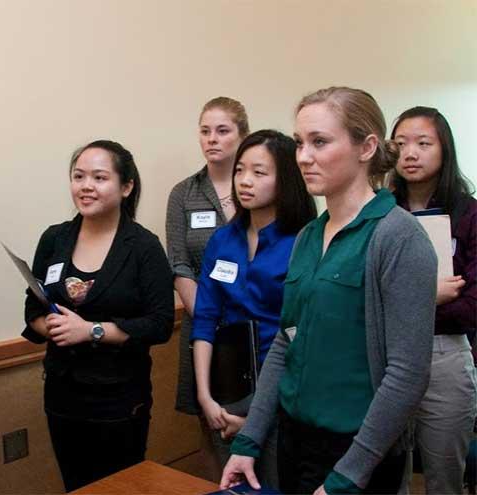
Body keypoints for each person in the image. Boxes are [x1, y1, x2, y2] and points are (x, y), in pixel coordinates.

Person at [220, 87, 437, 495]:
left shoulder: (399, 237)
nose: (303, 156)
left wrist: (349, 475)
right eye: (300, 143)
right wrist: (249, 439)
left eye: (319, 142)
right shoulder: (307, 236)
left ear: (366, 147)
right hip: (295, 440)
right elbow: (285, 343)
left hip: (357, 453)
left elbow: (408, 374)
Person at [22, 140, 174, 491]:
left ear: (126, 186)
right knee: (76, 486)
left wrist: (91, 330)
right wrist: (53, 327)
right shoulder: (55, 239)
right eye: (79, 176)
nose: (86, 186)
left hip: (119, 398)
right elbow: (32, 308)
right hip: (62, 394)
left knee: (121, 487)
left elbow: (160, 323)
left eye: (99, 177)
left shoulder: (143, 246)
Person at [191, 129, 317, 487]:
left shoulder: (304, 241)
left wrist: (259, 420)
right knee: (232, 485)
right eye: (240, 170)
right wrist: (205, 395)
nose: (245, 181)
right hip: (229, 388)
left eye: (259, 172)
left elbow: (303, 333)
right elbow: (205, 319)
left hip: (285, 389)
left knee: (275, 484)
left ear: (285, 180)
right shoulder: (223, 239)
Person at [390, 106, 477, 495]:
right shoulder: (380, 212)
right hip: (387, 352)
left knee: (445, 480)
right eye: (401, 144)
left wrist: (400, 299)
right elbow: (366, 294)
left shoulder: (469, 214)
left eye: (423, 144)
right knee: (389, 477)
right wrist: (430, 294)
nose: (410, 153)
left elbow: (470, 306)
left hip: (446, 352)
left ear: (444, 149)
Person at [166, 97, 248, 479]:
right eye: (205, 131)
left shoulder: (259, 186)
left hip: (255, 323)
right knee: (211, 424)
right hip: (203, 324)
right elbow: (179, 263)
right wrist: (208, 318)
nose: (211, 139)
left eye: (222, 130)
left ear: (242, 135)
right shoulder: (184, 193)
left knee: (254, 420)